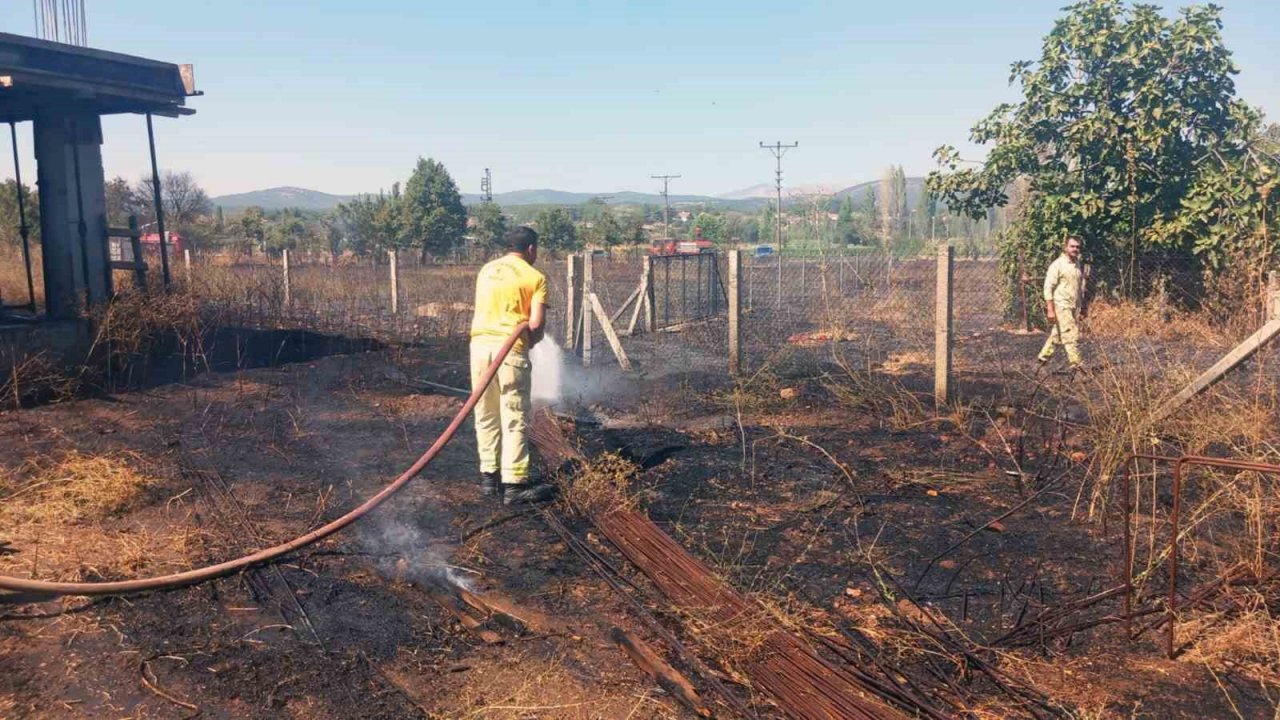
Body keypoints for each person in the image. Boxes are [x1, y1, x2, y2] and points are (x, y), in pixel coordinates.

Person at [469, 226, 555, 505]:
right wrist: (533, 341)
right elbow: (536, 324)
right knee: (514, 415)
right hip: (511, 351)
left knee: (485, 413)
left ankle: (488, 479)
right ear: (531, 249)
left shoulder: (486, 271)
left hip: (479, 349)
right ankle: (515, 486)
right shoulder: (535, 277)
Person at [1037, 235, 1086, 370]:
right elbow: (1048, 287)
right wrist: (1050, 309)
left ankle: (1043, 358)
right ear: (1065, 247)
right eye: (1072, 246)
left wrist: (1082, 306)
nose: (1075, 249)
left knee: (1058, 334)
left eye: (1077, 247)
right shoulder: (1057, 265)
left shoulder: (1077, 264)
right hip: (1061, 305)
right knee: (1071, 334)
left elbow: (1078, 288)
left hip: (1073, 306)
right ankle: (1076, 365)